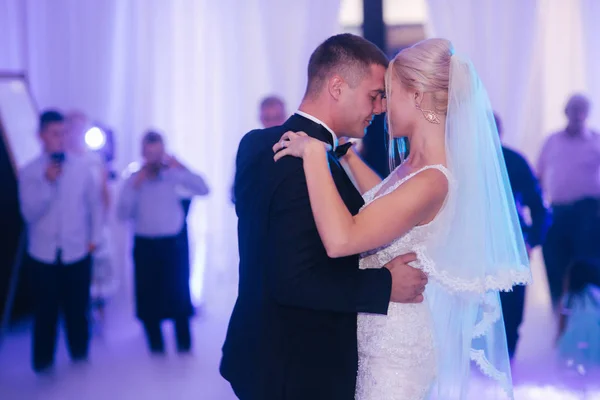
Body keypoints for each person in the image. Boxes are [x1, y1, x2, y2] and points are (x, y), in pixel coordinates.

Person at [274, 39, 531, 399]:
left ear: (418, 97)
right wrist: (345, 156)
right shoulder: (417, 167)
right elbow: (384, 202)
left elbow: (341, 240)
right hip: (379, 333)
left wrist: (315, 154)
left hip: (396, 354)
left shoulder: (432, 179)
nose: (380, 107)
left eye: (388, 93)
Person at [221, 33, 428, 400]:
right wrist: (384, 285)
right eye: (373, 95)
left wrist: (343, 155)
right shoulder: (301, 165)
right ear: (336, 86)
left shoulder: (256, 142)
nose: (380, 108)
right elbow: (293, 279)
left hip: (257, 350)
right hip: (298, 367)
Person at [18, 110, 102, 373]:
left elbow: (94, 205)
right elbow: (29, 213)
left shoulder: (81, 168)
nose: (61, 139)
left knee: (78, 311)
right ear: (41, 136)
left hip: (77, 250)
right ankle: (43, 365)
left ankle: (80, 358)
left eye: (64, 133)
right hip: (42, 254)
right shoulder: (29, 172)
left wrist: (94, 239)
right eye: (55, 133)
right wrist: (46, 182)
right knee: (45, 314)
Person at [117, 131, 209, 354]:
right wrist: (135, 186)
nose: (154, 157)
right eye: (150, 153)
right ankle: (155, 345)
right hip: (145, 244)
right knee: (148, 296)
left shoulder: (174, 175)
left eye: (158, 152)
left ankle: (184, 345)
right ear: (143, 153)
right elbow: (121, 213)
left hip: (173, 244)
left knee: (179, 294)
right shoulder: (133, 179)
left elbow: (204, 189)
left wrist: (181, 167)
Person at [495, 113, 550, 360]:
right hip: (470, 255)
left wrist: (531, 241)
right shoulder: (457, 160)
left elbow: (540, 208)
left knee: (511, 319)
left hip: (511, 250)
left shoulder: (514, 161)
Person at [537, 94, 600, 309]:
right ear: (566, 111)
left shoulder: (596, 140)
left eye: (582, 109)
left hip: (589, 214)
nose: (578, 113)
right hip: (557, 212)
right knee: (556, 264)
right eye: (574, 108)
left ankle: (589, 317)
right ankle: (560, 316)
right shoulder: (552, 140)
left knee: (587, 266)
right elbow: (540, 174)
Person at [65, 110, 116, 330]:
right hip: (72, 225)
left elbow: (104, 193)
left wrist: (101, 221)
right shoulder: (62, 159)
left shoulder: (94, 160)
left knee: (99, 272)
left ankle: (98, 317)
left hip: (95, 224)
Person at [557, 259, 600, 373]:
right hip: (594, 335)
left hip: (573, 335)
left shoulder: (569, 297)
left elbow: (562, 321)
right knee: (593, 364)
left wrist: (558, 338)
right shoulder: (595, 294)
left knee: (573, 363)